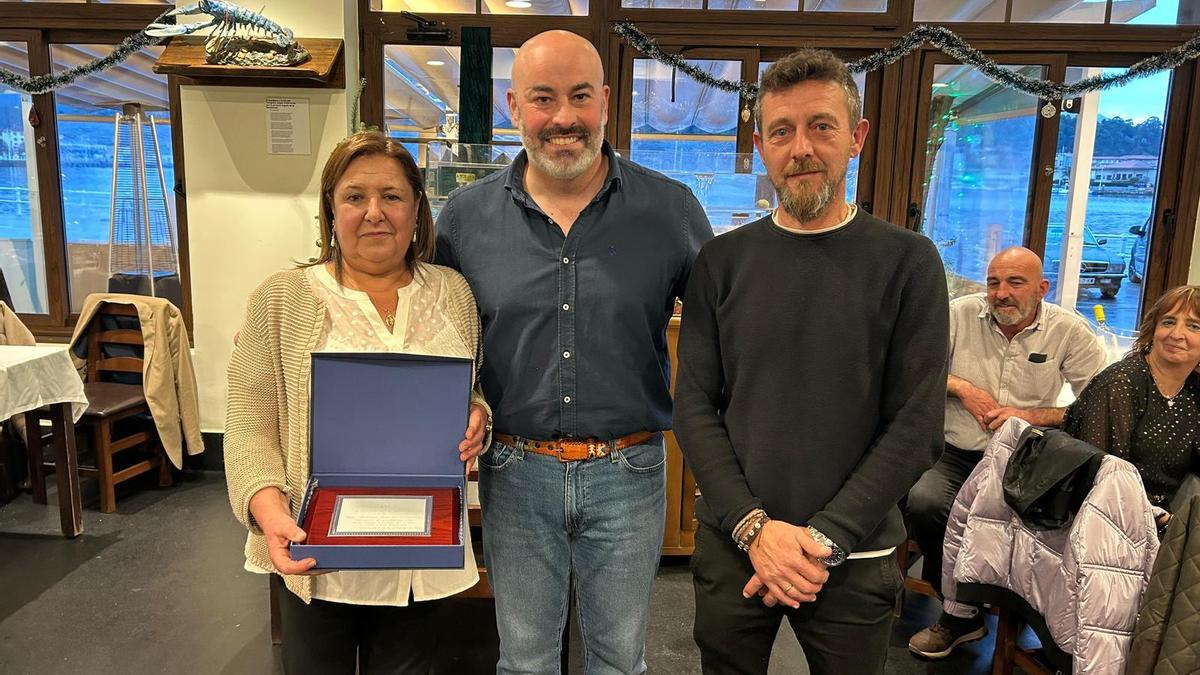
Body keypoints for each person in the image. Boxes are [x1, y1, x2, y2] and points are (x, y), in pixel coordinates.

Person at [434, 29, 713, 674]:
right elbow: (440, 335)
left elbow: (726, 322)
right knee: (525, 660)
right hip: (515, 471)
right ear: (514, 107)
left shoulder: (668, 210)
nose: (563, 118)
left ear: (607, 102)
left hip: (631, 470)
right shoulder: (464, 219)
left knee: (619, 660)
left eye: (580, 96)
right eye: (543, 98)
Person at [672, 48, 948, 675]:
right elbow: (693, 406)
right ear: (762, 146)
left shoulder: (908, 263)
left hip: (856, 554)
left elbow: (917, 425)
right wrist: (753, 529)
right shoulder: (720, 264)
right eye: (781, 131)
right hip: (736, 544)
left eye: (821, 126)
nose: (800, 148)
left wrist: (823, 539)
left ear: (857, 137)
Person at [224, 130, 491, 674]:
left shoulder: (453, 292)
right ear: (331, 210)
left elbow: (473, 385)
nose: (375, 212)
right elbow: (249, 421)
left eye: (392, 196)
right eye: (355, 197)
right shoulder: (282, 299)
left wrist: (479, 414)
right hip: (319, 553)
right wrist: (269, 512)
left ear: (417, 208)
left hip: (422, 550)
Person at [907, 246, 1107, 660]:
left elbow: (1099, 403)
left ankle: (1022, 621)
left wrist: (1030, 415)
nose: (1001, 293)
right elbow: (914, 368)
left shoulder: (1068, 330)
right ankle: (959, 613)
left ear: (1042, 288)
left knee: (1027, 525)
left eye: (1015, 282)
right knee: (924, 501)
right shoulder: (959, 314)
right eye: (994, 282)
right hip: (953, 448)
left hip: (1022, 459)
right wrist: (963, 387)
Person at [1063, 285, 1200, 519]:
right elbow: (1102, 479)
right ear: (1153, 329)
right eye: (1168, 322)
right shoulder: (1121, 383)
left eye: (1193, 326)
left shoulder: (1194, 390)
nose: (1176, 334)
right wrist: (1159, 518)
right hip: (1103, 521)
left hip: (1162, 520)